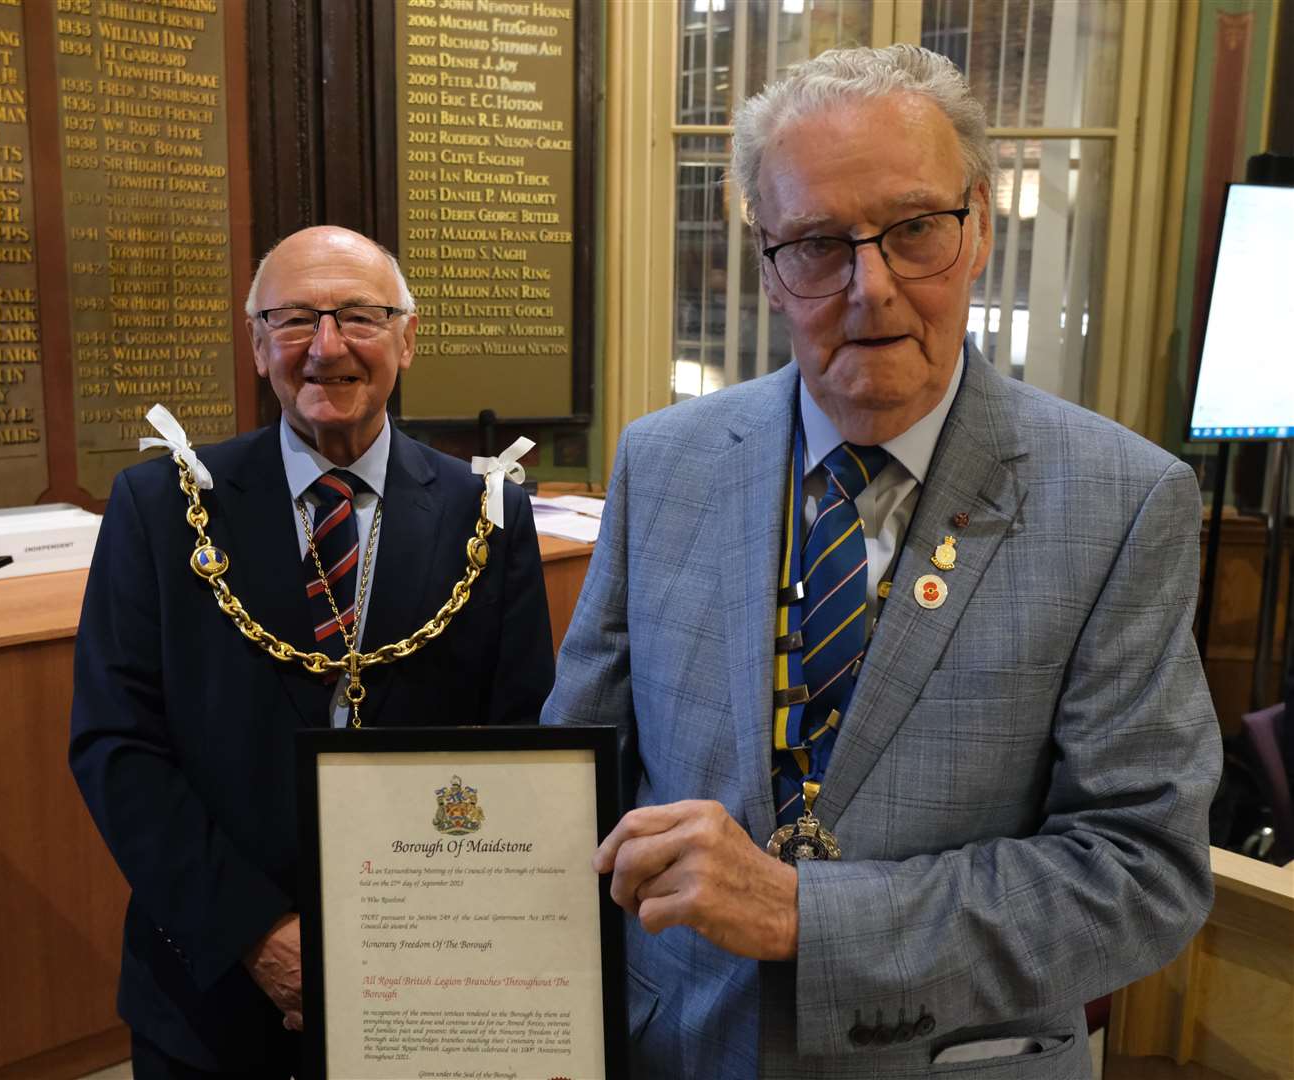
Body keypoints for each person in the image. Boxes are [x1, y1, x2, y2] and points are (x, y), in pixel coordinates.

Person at [543, 46, 1219, 1079]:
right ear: (766, 263)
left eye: (913, 231)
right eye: (815, 244)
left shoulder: (1121, 502)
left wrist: (808, 917)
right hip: (680, 1051)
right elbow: (576, 775)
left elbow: (1139, 874)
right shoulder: (662, 462)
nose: (870, 289)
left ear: (981, 224)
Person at [70, 225, 555, 1077]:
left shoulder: (489, 514)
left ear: (408, 337)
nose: (325, 347)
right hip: (211, 983)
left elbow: (517, 742)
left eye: (359, 317)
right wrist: (257, 934)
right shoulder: (157, 509)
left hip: (430, 977)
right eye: (292, 319)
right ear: (257, 345)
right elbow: (117, 746)